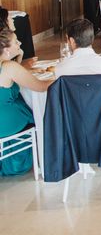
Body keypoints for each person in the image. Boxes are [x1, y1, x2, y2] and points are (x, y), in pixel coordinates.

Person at [0, 29, 52, 176]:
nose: (20, 43)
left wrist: (20, 56)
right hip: (6, 122)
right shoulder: (9, 67)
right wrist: (61, 78)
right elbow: (40, 87)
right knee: (38, 112)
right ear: (6, 49)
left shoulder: (8, 65)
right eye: (16, 41)